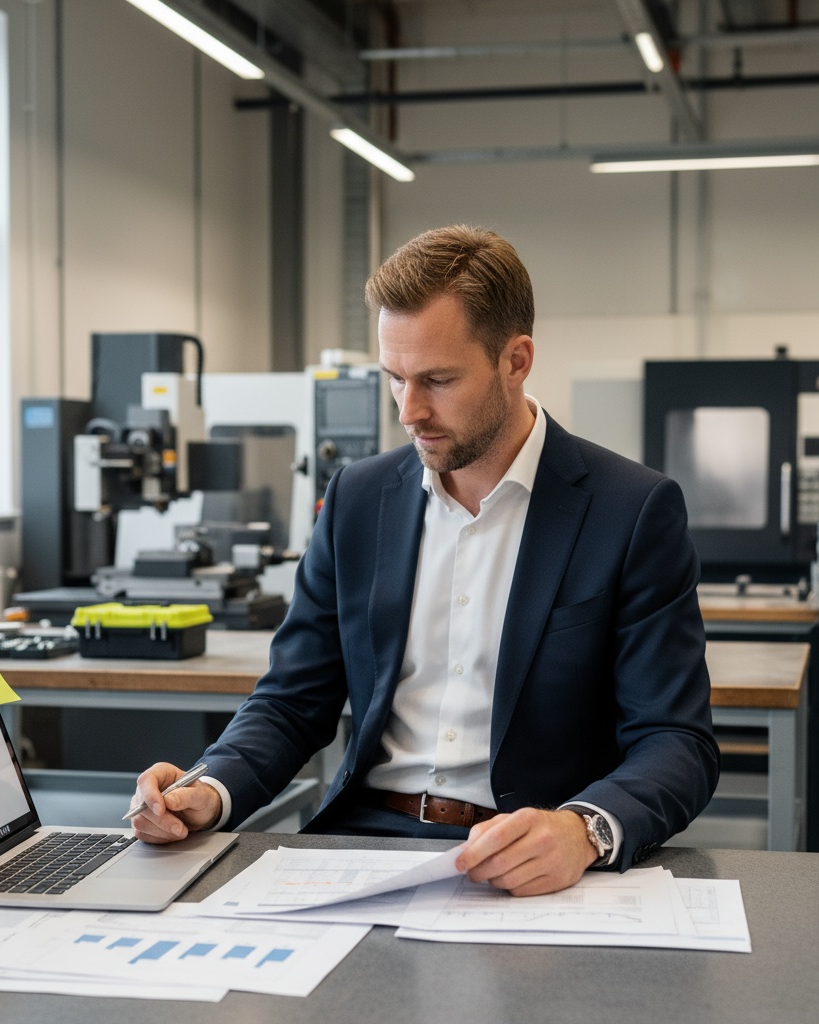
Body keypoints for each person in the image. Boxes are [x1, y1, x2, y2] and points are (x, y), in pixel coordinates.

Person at [130, 225, 719, 896]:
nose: (410, 412)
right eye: (394, 379)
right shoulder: (358, 498)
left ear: (516, 360)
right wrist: (208, 788)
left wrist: (583, 830)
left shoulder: (630, 510)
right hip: (362, 847)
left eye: (438, 380)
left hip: (526, 862)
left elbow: (676, 742)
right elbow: (293, 701)